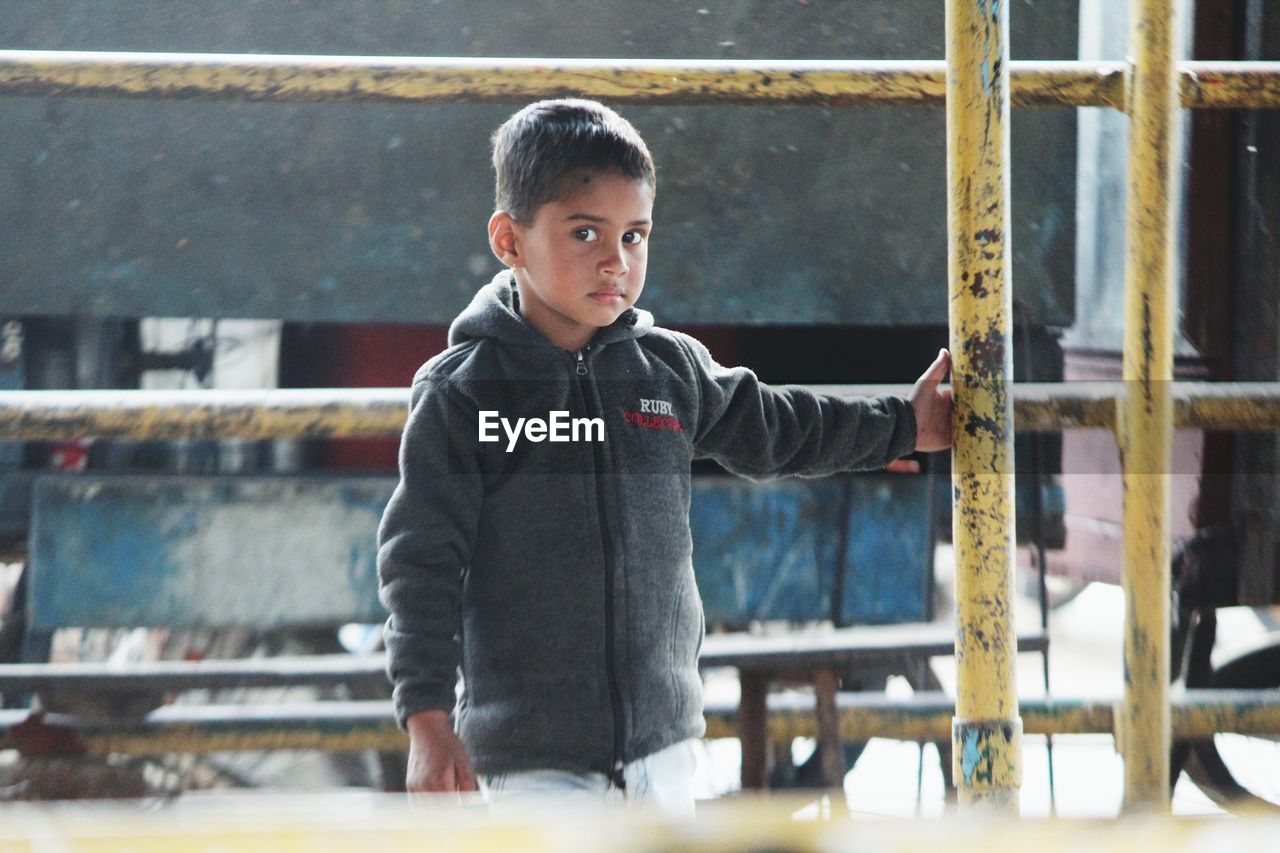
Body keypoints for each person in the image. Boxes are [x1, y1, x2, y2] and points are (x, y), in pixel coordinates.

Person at [377, 98, 953, 815]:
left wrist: (903, 426)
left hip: (666, 749)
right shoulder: (464, 392)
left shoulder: (667, 372)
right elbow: (420, 563)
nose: (614, 261)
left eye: (635, 235)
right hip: (529, 763)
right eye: (584, 231)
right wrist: (427, 720)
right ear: (509, 239)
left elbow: (779, 426)